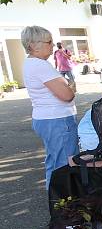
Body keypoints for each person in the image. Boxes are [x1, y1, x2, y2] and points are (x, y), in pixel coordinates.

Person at [22, 26, 78, 190]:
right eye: (49, 42)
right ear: (33, 45)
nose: (53, 45)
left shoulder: (31, 63)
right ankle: (64, 207)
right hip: (57, 120)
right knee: (65, 164)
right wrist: (70, 88)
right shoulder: (40, 66)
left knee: (54, 161)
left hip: (46, 118)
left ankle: (57, 202)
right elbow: (67, 95)